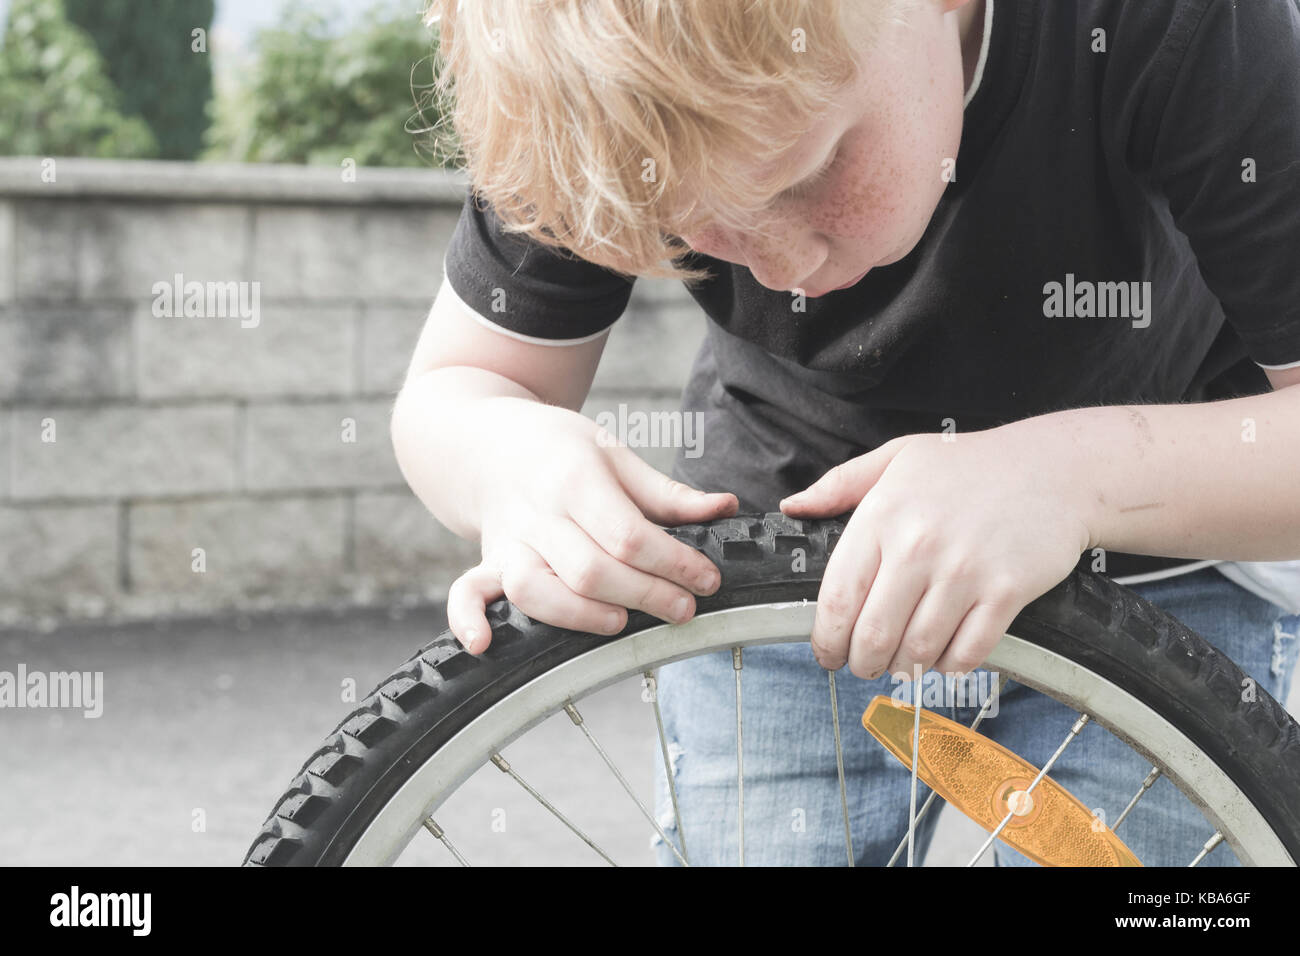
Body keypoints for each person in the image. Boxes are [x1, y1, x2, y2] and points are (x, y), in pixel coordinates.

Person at [392, 0, 1300, 865]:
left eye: (805, 175)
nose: (782, 268)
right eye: (692, 227)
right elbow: (460, 389)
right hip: (773, 575)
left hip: (1160, 573)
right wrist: (508, 460)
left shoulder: (1184, 23)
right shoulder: (592, 80)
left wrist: (1069, 480)